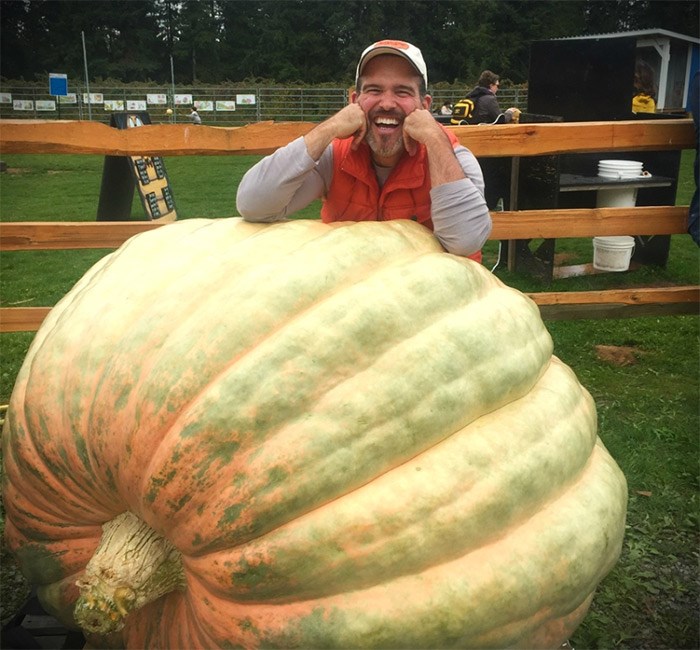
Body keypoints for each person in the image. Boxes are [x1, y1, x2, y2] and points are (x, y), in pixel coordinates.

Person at [236, 39, 491, 261]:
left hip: (430, 309)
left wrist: (435, 138)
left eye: (402, 91)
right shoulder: (334, 155)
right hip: (351, 300)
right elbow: (254, 204)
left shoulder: (452, 157)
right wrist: (330, 127)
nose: (387, 103)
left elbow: (465, 241)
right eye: (374, 90)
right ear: (354, 102)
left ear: (424, 106)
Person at [450, 70, 519, 125]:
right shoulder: (490, 99)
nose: (498, 88)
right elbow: (501, 120)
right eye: (497, 86)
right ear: (491, 85)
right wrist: (509, 113)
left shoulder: (470, 96)